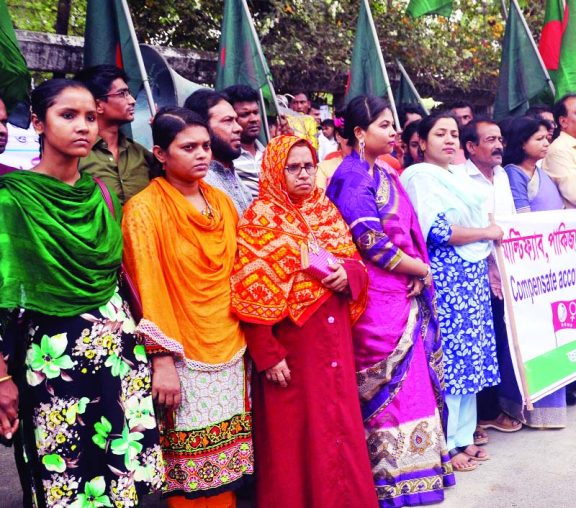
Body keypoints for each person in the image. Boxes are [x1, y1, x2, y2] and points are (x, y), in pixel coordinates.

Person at [0, 79, 163, 507]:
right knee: (67, 480)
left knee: (122, 479)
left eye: (90, 116)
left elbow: (119, 279)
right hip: (54, 363)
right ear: (37, 121)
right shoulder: (12, 201)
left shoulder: (100, 194)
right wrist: (0, 376)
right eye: (67, 115)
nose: (83, 127)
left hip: (119, 358)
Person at [230, 135, 378, 507]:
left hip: (334, 343)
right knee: (294, 438)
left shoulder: (325, 211)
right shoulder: (259, 218)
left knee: (339, 425)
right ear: (274, 171)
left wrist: (348, 275)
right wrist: (268, 354)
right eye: (292, 167)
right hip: (293, 349)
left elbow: (356, 265)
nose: (303, 175)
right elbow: (249, 292)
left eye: (308, 166)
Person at [325, 95, 456, 504]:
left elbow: (406, 235)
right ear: (360, 133)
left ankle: (419, 474)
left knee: (414, 386)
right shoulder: (351, 178)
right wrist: (419, 269)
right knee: (387, 393)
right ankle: (387, 484)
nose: (394, 131)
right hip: (375, 304)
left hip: (401, 292)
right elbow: (370, 242)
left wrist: (414, 270)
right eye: (384, 125)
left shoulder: (383, 173)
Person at [122, 107, 253, 505]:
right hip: (182, 357)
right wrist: (162, 359)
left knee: (228, 466)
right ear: (160, 154)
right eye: (188, 147)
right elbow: (148, 288)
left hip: (231, 347)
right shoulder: (143, 210)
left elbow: (241, 271)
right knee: (191, 470)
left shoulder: (222, 203)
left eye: (205, 146)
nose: (201, 155)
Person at [401, 112, 502, 472]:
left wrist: (483, 234)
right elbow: (438, 230)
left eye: (454, 134)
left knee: (472, 355)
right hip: (446, 277)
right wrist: (486, 233)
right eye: (440, 134)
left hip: (470, 276)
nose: (449, 140)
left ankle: (464, 434)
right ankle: (446, 442)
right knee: (452, 358)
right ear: (422, 143)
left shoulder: (456, 177)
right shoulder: (419, 177)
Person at [498, 115, 572, 427]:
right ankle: (524, 407)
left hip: (553, 263)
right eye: (539, 138)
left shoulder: (542, 172)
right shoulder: (514, 174)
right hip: (531, 267)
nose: (545, 143)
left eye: (547, 138)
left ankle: (550, 408)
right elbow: (523, 223)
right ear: (521, 142)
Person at [458, 117, 523, 438]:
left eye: (500, 139)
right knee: (483, 342)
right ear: (471, 147)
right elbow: (468, 228)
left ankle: (502, 403)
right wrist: (487, 270)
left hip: (506, 269)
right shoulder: (460, 179)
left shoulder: (501, 175)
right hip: (477, 272)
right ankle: (484, 413)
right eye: (490, 140)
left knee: (503, 338)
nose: (498, 145)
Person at [75, 65, 155, 203]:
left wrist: (164, 133)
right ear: (98, 105)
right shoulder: (76, 156)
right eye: (122, 94)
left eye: (128, 93)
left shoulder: (141, 154)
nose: (132, 100)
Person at [184, 89, 250, 215]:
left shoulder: (230, 172)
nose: (239, 128)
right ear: (202, 128)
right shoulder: (198, 184)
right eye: (228, 121)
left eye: (236, 120)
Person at [224, 84, 265, 199]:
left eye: (256, 112)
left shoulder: (269, 154)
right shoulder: (226, 159)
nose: (254, 119)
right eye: (245, 114)